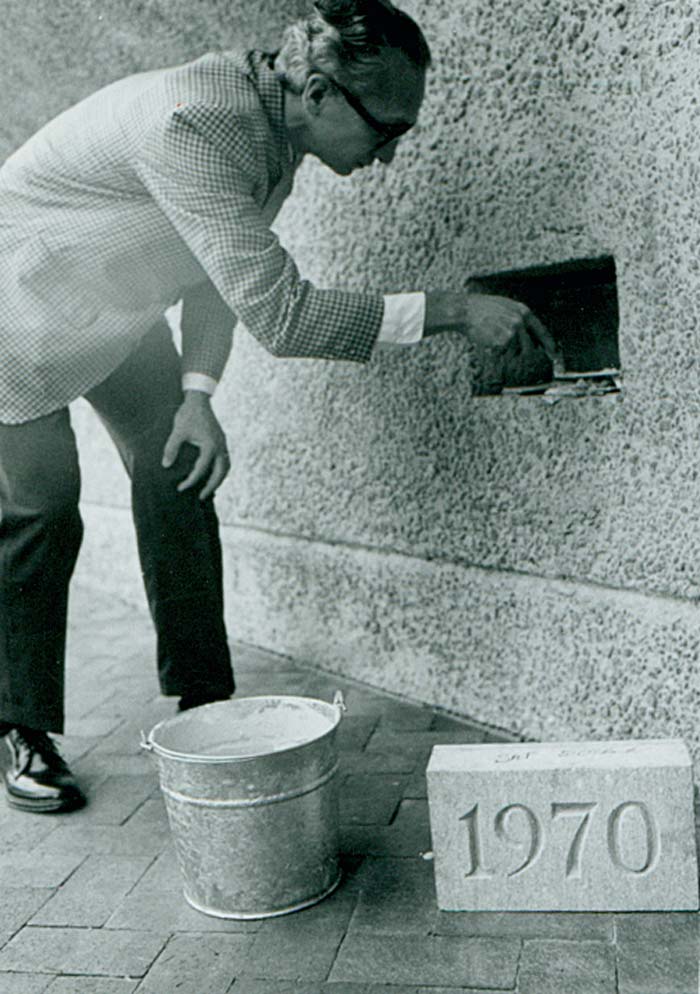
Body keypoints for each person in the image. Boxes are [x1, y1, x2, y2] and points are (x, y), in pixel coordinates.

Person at [0, 0, 555, 813]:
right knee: (44, 512)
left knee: (179, 472)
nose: (390, 156)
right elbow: (283, 315)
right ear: (323, 93)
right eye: (386, 130)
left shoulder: (272, 125)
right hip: (20, 311)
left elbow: (222, 275)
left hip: (115, 307)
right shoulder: (196, 121)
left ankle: (205, 705)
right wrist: (456, 310)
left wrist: (197, 395)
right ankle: (20, 729)